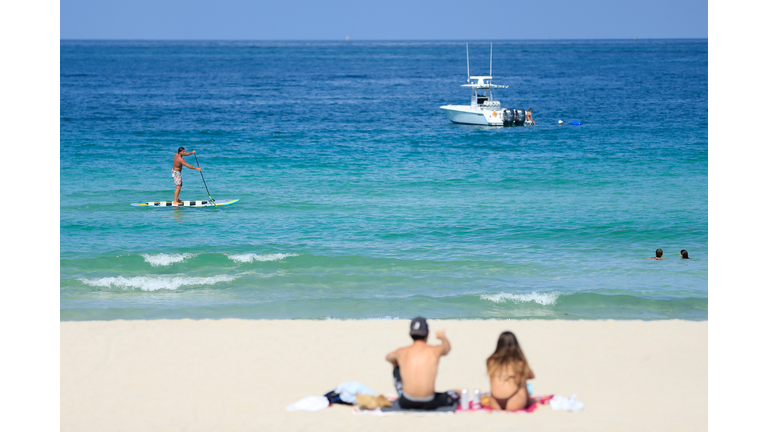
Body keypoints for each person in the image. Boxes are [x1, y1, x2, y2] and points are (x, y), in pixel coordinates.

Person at [385, 317, 458, 410]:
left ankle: (404, 390)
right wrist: (442, 337)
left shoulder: (401, 352)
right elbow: (447, 348)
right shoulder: (435, 350)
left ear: (410, 335)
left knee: (396, 366)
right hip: (429, 402)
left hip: (406, 401)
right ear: (427, 335)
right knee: (456, 393)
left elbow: (388, 357)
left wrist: (398, 361)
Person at [486, 331, 535, 411]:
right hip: (514, 400)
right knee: (522, 380)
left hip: (495, 401)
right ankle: (529, 401)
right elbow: (531, 376)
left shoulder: (490, 361)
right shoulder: (519, 362)